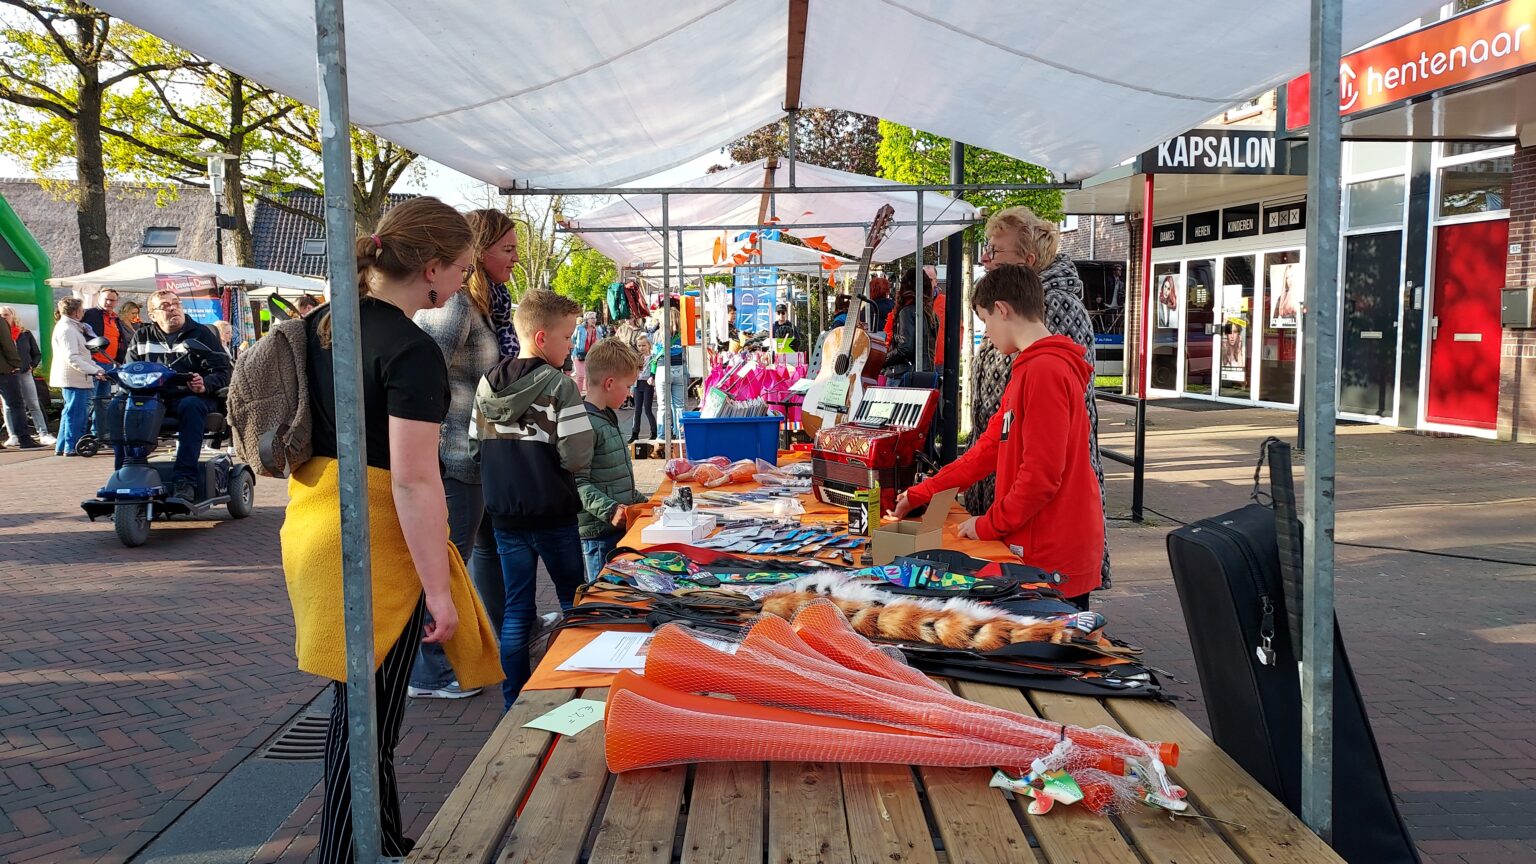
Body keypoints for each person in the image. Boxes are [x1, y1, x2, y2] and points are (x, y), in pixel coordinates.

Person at [283, 196, 500, 864]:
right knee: (370, 721)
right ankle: (349, 852)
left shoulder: (323, 324)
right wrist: (438, 589)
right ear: (431, 268)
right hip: (377, 540)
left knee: (359, 709)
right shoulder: (410, 349)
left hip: (315, 522)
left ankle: (380, 839)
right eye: (463, 268)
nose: (465, 281)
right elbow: (412, 480)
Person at [889, 265, 1104, 609]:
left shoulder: (1043, 371)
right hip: (1043, 543)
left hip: (1052, 549)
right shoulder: (1029, 367)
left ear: (1002, 309)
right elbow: (988, 448)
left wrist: (989, 525)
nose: (987, 333)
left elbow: (1041, 477)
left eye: (985, 320)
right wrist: (922, 491)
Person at [408, 207, 519, 701]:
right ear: (479, 252)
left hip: (480, 450)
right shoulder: (456, 308)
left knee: (481, 552)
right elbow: (422, 372)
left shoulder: (490, 304)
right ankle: (429, 672)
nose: (515, 258)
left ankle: (483, 642)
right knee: (448, 559)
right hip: (451, 453)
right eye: (508, 249)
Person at [972, 205, 1111, 591]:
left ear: (1028, 260)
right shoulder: (1009, 303)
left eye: (995, 251)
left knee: (1050, 608)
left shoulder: (1054, 309)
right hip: (1012, 471)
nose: (985, 257)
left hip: (1045, 505)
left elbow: (1046, 421)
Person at [472, 287, 593, 706]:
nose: (572, 345)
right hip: (554, 512)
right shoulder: (560, 387)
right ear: (542, 339)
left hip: (505, 515)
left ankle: (513, 700)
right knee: (573, 601)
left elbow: (473, 447)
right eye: (567, 337)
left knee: (516, 610)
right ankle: (573, 688)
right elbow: (577, 455)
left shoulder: (487, 383)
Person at [120, 290, 234, 502]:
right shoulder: (142, 336)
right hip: (153, 398)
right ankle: (124, 474)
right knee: (118, 405)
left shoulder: (202, 334)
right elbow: (129, 370)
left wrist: (205, 384)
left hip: (192, 396)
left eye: (176, 304)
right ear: (152, 315)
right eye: (165, 306)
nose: (173, 308)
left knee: (191, 406)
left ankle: (185, 480)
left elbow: (223, 372)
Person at [575, 338, 649, 580]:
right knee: (603, 592)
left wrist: (645, 502)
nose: (629, 393)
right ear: (609, 383)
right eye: (628, 386)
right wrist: (610, 510)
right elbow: (578, 482)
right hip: (599, 533)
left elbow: (614, 475)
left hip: (614, 526)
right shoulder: (585, 423)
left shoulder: (606, 417)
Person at [48, 297, 105, 456]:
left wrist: (97, 368)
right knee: (76, 413)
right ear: (76, 312)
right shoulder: (67, 329)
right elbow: (72, 357)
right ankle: (71, 446)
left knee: (69, 412)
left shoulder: (71, 327)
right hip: (74, 378)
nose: (84, 312)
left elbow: (81, 356)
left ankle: (62, 446)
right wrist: (95, 371)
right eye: (82, 309)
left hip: (76, 376)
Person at [1, 306, 53, 446]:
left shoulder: (25, 334)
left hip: (24, 372)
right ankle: (14, 435)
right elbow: (6, 349)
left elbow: (36, 353)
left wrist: (31, 365)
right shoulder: (3, 331)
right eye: (2, 315)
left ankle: (43, 432)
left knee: (33, 402)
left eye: (6, 314)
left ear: (13, 316)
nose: (4, 317)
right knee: (9, 405)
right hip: (8, 372)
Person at [82, 288, 129, 439]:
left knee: (103, 402)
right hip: (94, 363)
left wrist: (119, 360)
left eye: (112, 300)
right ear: (99, 299)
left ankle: (100, 433)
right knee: (90, 401)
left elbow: (120, 340)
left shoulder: (115, 318)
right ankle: (84, 434)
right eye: (106, 299)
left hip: (110, 364)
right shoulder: (89, 314)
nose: (109, 302)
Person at [882, 269, 938, 385]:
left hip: (903, 375)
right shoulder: (931, 313)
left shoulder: (907, 312)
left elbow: (904, 348)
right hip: (926, 373)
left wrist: (883, 359)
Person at [650, 298, 688, 439]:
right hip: (678, 368)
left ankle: (662, 436)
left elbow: (654, 355)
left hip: (662, 369)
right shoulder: (682, 335)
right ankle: (681, 436)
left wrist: (652, 374)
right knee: (679, 405)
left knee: (663, 406)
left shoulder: (658, 335)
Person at [617, 313, 656, 441]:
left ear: (648, 346)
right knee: (637, 409)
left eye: (643, 346)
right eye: (639, 346)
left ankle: (653, 432)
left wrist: (652, 377)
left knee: (648, 409)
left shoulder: (652, 357)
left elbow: (653, 368)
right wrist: (632, 386)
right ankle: (635, 433)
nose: (641, 348)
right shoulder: (636, 357)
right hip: (638, 384)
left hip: (647, 384)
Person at [571, 310, 598, 394]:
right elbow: (573, 339)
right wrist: (576, 348)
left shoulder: (595, 329)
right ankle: (577, 395)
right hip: (579, 354)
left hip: (590, 355)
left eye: (594, 318)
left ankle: (588, 395)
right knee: (580, 376)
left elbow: (597, 341)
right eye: (591, 318)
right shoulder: (579, 328)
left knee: (589, 377)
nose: (593, 320)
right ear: (586, 319)